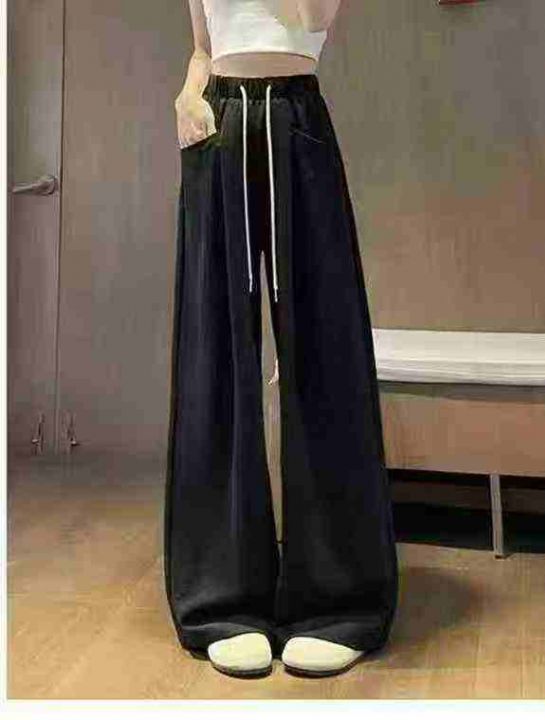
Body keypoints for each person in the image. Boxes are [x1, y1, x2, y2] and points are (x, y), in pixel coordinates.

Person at [164, 0, 399, 679]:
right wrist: (187, 94)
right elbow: (203, 48)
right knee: (212, 356)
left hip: (296, 121)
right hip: (217, 128)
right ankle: (222, 599)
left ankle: (339, 600)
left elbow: (313, 17)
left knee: (325, 354)